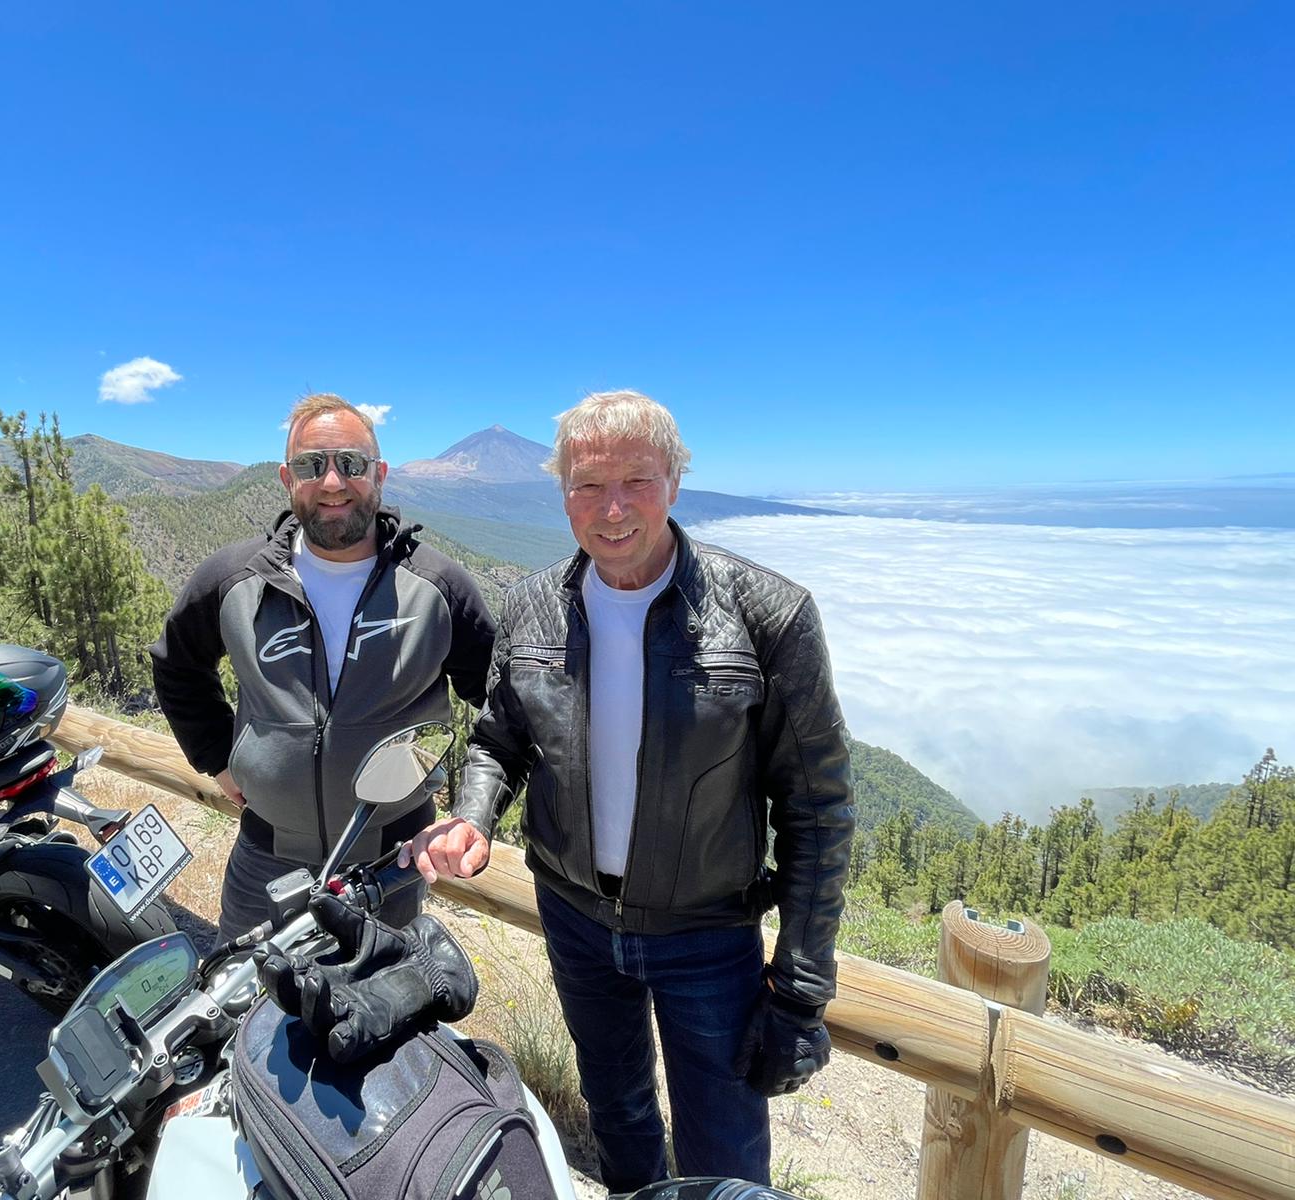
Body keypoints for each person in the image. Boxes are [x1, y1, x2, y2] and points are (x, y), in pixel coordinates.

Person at [402, 390, 854, 1190]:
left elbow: (818, 811)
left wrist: (801, 988)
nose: (612, 509)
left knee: (724, 1154)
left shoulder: (768, 616)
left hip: (708, 937)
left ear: (675, 482)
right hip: (575, 922)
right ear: (562, 492)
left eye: (636, 482)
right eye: (587, 485)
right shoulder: (533, 606)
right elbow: (499, 737)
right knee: (619, 1117)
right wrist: (474, 815)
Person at [151, 393, 496, 945]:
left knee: (374, 1013)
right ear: (288, 479)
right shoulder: (235, 579)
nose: (333, 483)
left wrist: (471, 809)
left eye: (351, 464)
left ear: (379, 474)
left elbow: (502, 707)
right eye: (313, 466)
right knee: (244, 1007)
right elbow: (177, 666)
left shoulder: (438, 586)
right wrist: (217, 757)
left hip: (390, 865)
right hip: (266, 856)